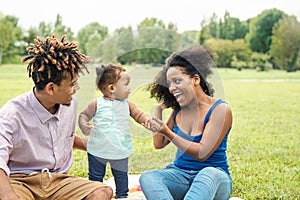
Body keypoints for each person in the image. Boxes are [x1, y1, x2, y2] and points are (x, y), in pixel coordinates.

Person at [0, 34, 113, 200]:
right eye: (72, 84)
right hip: (21, 182)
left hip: (58, 181)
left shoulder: (69, 104)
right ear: (51, 88)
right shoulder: (11, 115)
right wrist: (7, 194)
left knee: (102, 192)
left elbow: (64, 137)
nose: (76, 88)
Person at [140, 45, 233, 200]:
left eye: (177, 81)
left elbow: (202, 153)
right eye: (169, 83)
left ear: (195, 79)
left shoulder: (220, 110)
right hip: (180, 176)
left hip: (214, 179)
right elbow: (159, 143)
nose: (171, 88)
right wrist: (158, 110)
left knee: (208, 173)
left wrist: (167, 132)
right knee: (149, 177)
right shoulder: (179, 110)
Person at [78, 64, 151, 199]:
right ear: (112, 88)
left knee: (121, 175)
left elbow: (138, 115)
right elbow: (84, 115)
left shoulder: (127, 104)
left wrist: (146, 120)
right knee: (95, 177)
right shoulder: (96, 104)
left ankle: (122, 195)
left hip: (119, 149)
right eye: (126, 85)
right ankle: (95, 193)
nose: (129, 89)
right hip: (97, 150)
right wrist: (83, 124)